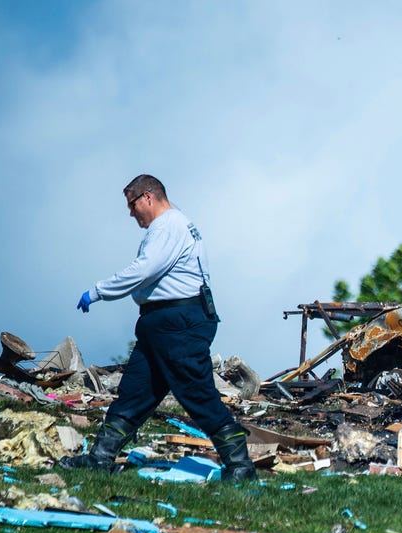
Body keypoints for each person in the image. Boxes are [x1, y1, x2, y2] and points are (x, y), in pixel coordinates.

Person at [58, 175, 256, 481]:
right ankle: (100, 458)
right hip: (162, 325)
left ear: (148, 197)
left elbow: (144, 269)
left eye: (132, 204)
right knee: (136, 391)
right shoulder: (176, 225)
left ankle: (241, 466)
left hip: (178, 324)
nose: (130, 213)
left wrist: (98, 291)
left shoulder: (167, 226)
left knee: (197, 392)